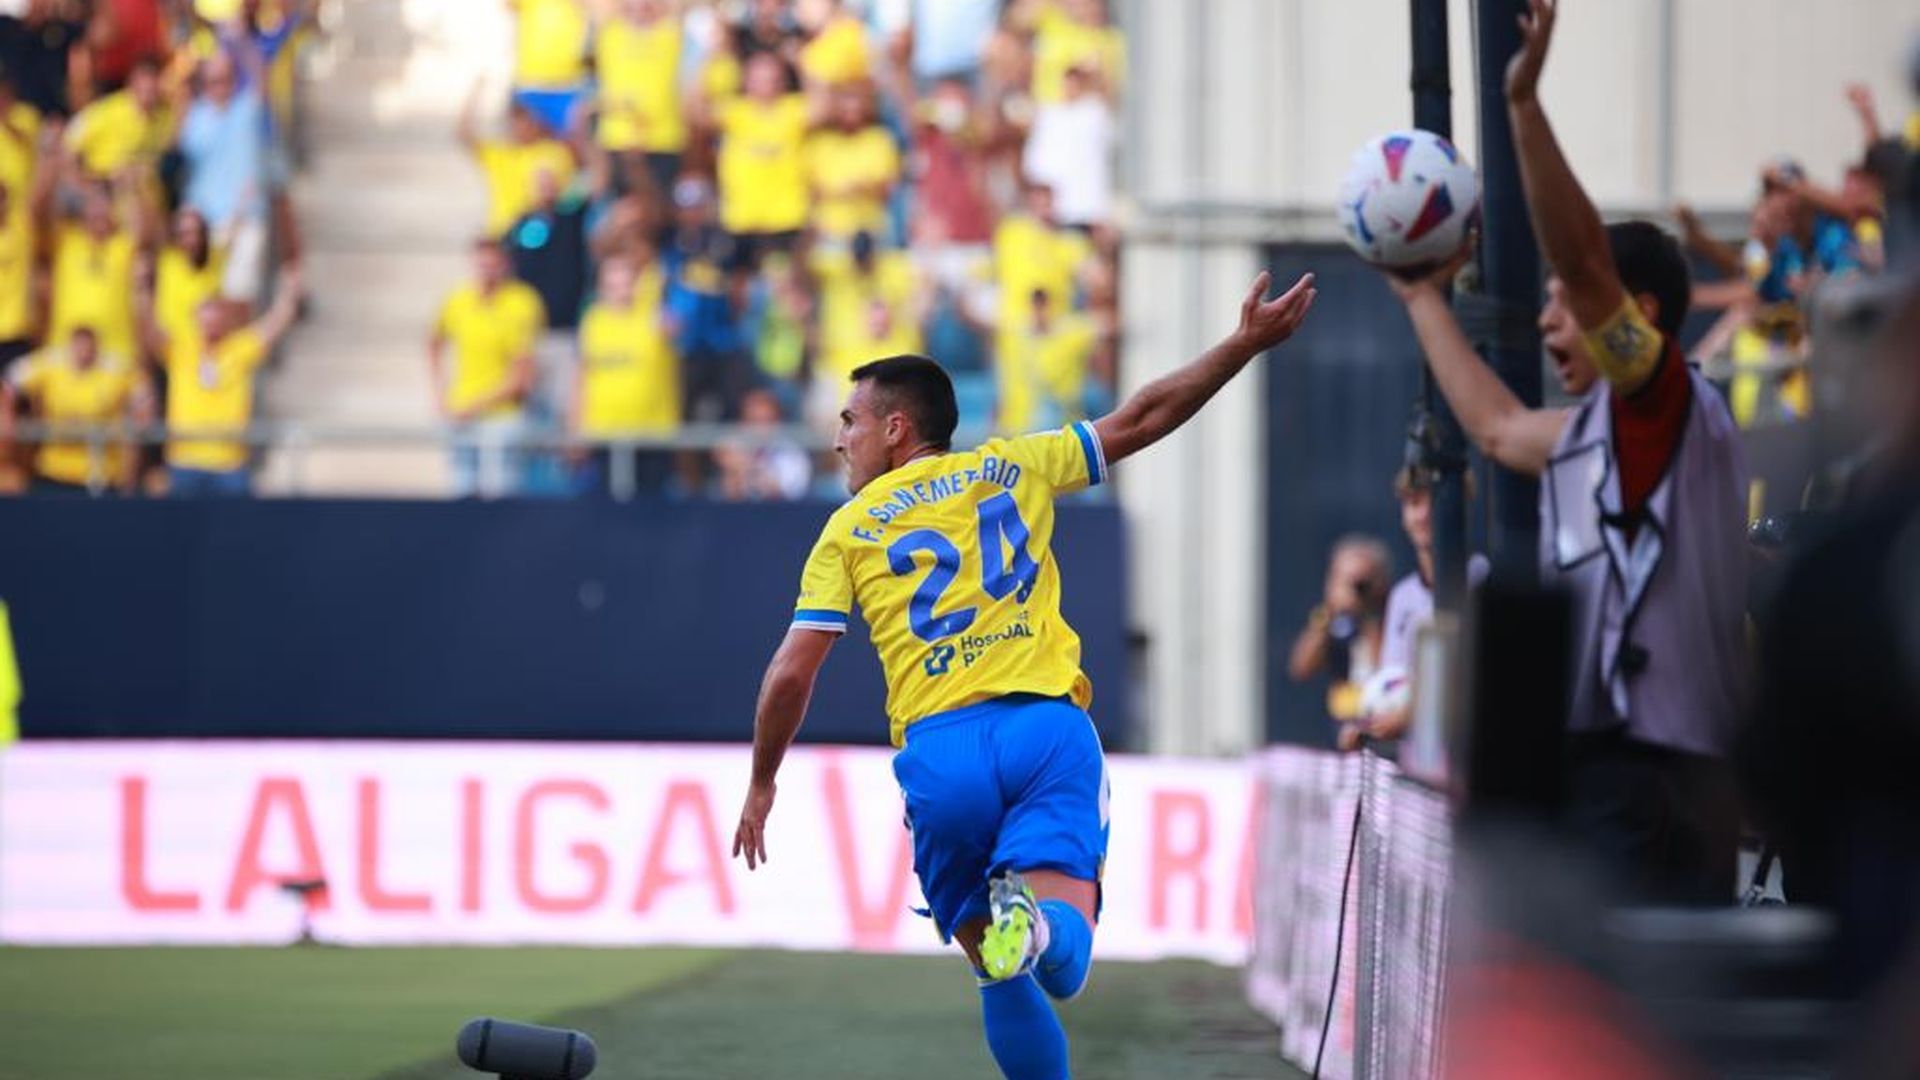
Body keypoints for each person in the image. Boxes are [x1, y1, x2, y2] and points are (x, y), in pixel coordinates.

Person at [731, 270, 1317, 1080]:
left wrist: (763, 780)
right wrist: (1244, 343)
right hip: (1044, 731)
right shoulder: (1016, 465)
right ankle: (1035, 927)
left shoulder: (848, 529)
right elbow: (1145, 416)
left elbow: (793, 671)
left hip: (941, 754)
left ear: (897, 429)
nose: (839, 438)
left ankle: (1021, 937)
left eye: (851, 421)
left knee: (993, 970)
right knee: (1058, 952)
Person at [1384, 0, 1749, 905]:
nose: (1549, 316)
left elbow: (1588, 267)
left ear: (1641, 319)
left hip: (1663, 777)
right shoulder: (1594, 432)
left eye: (1566, 302)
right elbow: (1500, 429)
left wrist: (1524, 108)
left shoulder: (1667, 401)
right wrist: (1420, 297)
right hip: (1603, 769)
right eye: (1544, 299)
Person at [135, 265, 302, 497]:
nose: (211, 323)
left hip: (228, 464)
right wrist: (142, 292)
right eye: (206, 315)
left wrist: (288, 293)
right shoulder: (182, 350)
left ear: (226, 320)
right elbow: (150, 332)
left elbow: (274, 327)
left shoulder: (239, 349)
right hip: (185, 460)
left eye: (216, 316)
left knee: (236, 531)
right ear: (196, 319)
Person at [428, 238, 547, 498]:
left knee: (502, 495)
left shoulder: (522, 302)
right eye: (481, 264)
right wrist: (441, 392)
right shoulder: (458, 300)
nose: (487, 270)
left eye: (493, 264)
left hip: (503, 415)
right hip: (462, 411)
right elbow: (435, 342)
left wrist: (473, 405)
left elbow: (522, 376)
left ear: (505, 265)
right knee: (462, 491)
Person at [570, 252, 678, 496]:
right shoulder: (593, 321)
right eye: (613, 285)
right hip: (603, 434)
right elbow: (582, 377)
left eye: (626, 282)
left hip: (650, 435)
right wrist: (576, 428)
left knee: (649, 512)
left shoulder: (653, 317)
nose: (621, 290)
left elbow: (673, 328)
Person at [0, 325, 151, 493]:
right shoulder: (51, 366)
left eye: (88, 348)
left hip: (101, 474)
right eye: (79, 347)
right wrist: (6, 413)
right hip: (54, 471)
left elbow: (143, 393)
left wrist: (140, 421)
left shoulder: (115, 371)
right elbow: (9, 381)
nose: (84, 353)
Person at [709, 51, 812, 268]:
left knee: (786, 287)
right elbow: (697, 113)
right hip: (742, 218)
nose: (766, 86)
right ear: (746, 82)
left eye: (772, 79)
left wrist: (803, 67)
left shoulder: (793, 109)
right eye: (759, 79)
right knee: (741, 292)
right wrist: (713, 61)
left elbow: (824, 107)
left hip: (786, 217)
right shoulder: (735, 111)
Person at [1287, 534, 1391, 728]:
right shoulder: (1331, 622)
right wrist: (1330, 610)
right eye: (1347, 581)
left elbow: (1384, 669)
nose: (1357, 590)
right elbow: (1301, 668)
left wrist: (1370, 616)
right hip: (1340, 726)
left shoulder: (1392, 617)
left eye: (1362, 583)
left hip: (1381, 726)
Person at [592, 0, 687, 200]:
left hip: (661, 138)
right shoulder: (611, 34)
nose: (642, 6)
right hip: (617, 138)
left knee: (656, 209)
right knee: (622, 209)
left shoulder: (670, 34)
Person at [460, 84, 579, 239]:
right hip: (500, 232)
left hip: (532, 233)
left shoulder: (552, 151)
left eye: (524, 121)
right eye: (514, 122)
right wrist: (476, 92)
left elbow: (546, 182)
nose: (519, 128)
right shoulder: (500, 153)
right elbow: (464, 135)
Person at [804, 82, 898, 245]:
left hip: (871, 229)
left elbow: (887, 188)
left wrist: (863, 188)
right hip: (829, 230)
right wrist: (838, 191)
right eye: (845, 111)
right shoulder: (820, 143)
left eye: (856, 111)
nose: (851, 116)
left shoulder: (879, 140)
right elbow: (809, 189)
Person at [713, 385, 809, 500]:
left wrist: (748, 467)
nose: (760, 429)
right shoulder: (733, 447)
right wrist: (733, 471)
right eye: (754, 421)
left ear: (777, 422)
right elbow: (728, 497)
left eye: (766, 421)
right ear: (743, 422)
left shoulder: (792, 454)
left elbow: (783, 493)